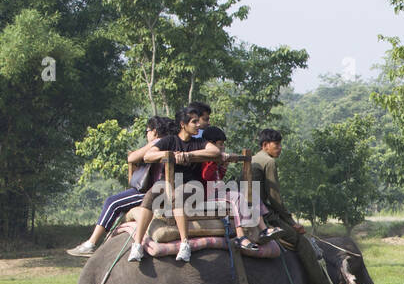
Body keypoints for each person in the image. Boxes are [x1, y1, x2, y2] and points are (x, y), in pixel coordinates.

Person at [67, 115, 175, 258]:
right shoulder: (171, 142)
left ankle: (91, 243)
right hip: (155, 189)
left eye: (147, 131)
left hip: (153, 192)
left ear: (155, 131)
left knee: (112, 202)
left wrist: (152, 143)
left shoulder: (159, 142)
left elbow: (131, 158)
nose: (147, 134)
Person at [129, 105, 222, 263]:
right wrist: (170, 154)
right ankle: (137, 244)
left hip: (191, 184)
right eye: (194, 122)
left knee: (178, 197)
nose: (198, 125)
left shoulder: (198, 142)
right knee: (149, 197)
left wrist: (188, 155)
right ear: (182, 124)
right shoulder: (170, 141)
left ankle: (184, 243)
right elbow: (148, 156)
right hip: (167, 183)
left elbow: (215, 152)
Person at [251, 129, 337, 284]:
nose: (280, 148)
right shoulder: (268, 162)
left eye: (280, 144)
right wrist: (291, 222)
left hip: (250, 210)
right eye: (276, 144)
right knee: (301, 242)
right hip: (264, 214)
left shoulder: (252, 159)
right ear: (265, 145)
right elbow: (274, 197)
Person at [197, 127, 265, 253]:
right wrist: (216, 159)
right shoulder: (204, 157)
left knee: (251, 194)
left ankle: (264, 228)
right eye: (220, 144)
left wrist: (223, 165)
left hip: (218, 190)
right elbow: (206, 176)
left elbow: (218, 177)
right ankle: (240, 235)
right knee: (236, 197)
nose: (222, 147)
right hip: (209, 194)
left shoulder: (215, 158)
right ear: (210, 144)